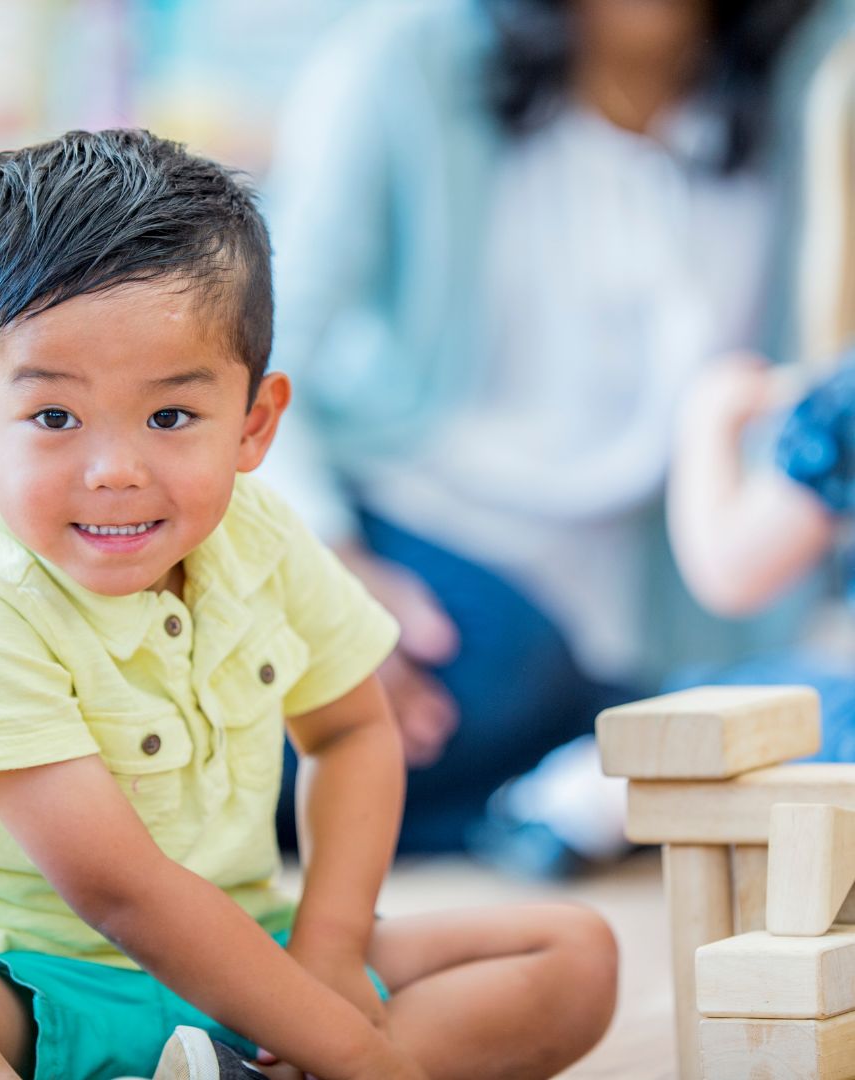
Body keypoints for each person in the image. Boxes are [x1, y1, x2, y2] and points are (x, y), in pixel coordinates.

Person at [0, 130, 617, 1080]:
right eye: (54, 418)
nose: (115, 472)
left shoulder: (259, 534)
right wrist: (352, 1052)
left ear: (254, 424)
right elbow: (121, 894)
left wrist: (330, 951)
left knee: (572, 950)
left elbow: (352, 733)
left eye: (171, 416)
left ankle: (240, 1069)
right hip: (24, 984)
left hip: (242, 951)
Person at [261, 0, 827, 864]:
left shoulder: (811, 78)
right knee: (495, 676)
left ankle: (542, 796)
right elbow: (259, 350)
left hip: (658, 604)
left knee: (762, 718)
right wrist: (330, 570)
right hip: (409, 534)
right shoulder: (406, 61)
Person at [668, 32, 855, 751]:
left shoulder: (843, 400)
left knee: (698, 709)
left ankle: (567, 801)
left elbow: (731, 569)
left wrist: (708, 418)